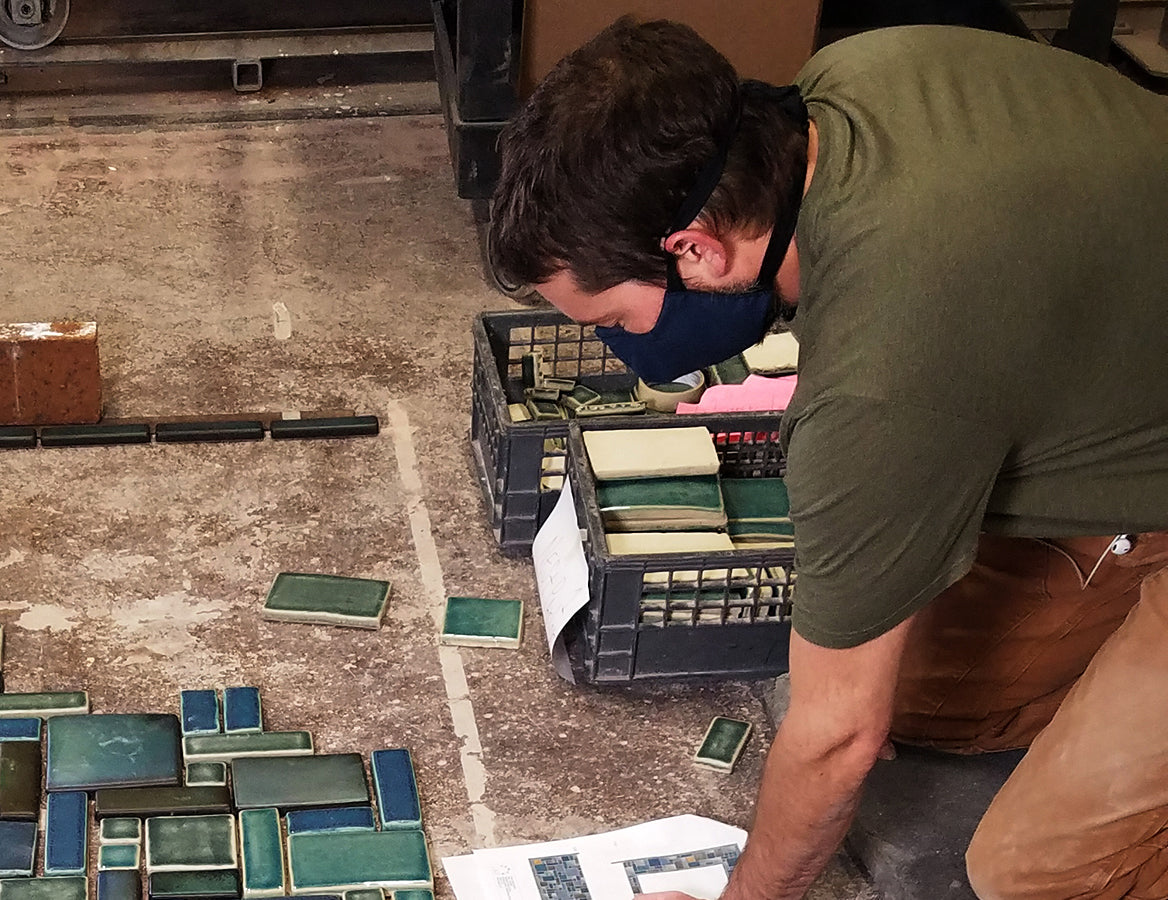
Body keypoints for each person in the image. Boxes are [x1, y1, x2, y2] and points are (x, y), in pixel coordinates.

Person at [489, 17, 1168, 900]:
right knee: (920, 695)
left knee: (1037, 871)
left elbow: (840, 738)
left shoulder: (880, 381)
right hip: (1130, 380)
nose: (623, 350)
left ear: (694, 247)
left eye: (613, 321)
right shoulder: (846, 82)